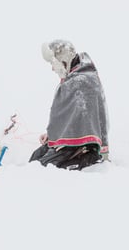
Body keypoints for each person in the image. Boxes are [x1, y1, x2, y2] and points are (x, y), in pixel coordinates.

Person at [30, 39, 110, 170]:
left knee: (42, 166)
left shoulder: (82, 81)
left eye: (53, 63)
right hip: (70, 143)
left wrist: (61, 138)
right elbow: (71, 117)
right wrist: (52, 134)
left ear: (62, 59)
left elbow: (84, 121)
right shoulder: (74, 78)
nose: (52, 68)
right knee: (35, 158)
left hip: (83, 147)